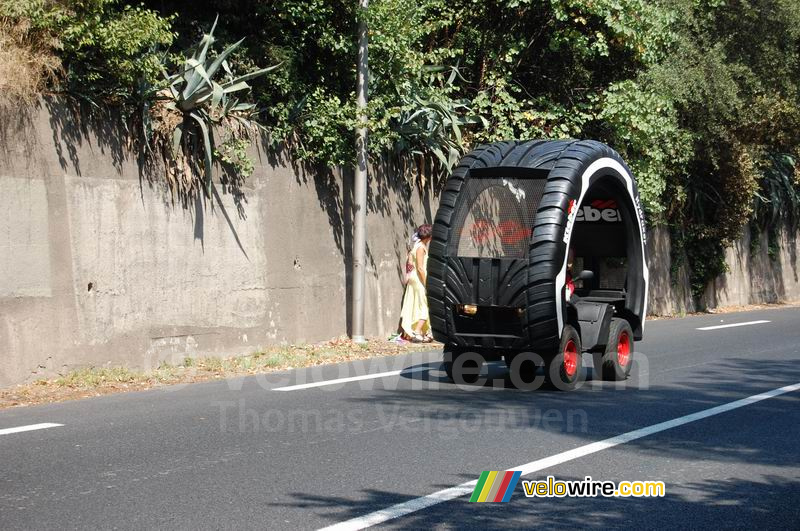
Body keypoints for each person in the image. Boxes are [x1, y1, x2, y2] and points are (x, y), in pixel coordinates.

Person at [400, 224, 433, 342]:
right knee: (425, 304)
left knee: (416, 304)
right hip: (419, 279)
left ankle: (425, 332)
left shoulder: (417, 245)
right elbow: (420, 268)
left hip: (414, 278)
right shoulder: (420, 247)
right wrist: (426, 283)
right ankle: (417, 331)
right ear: (429, 236)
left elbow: (410, 261)